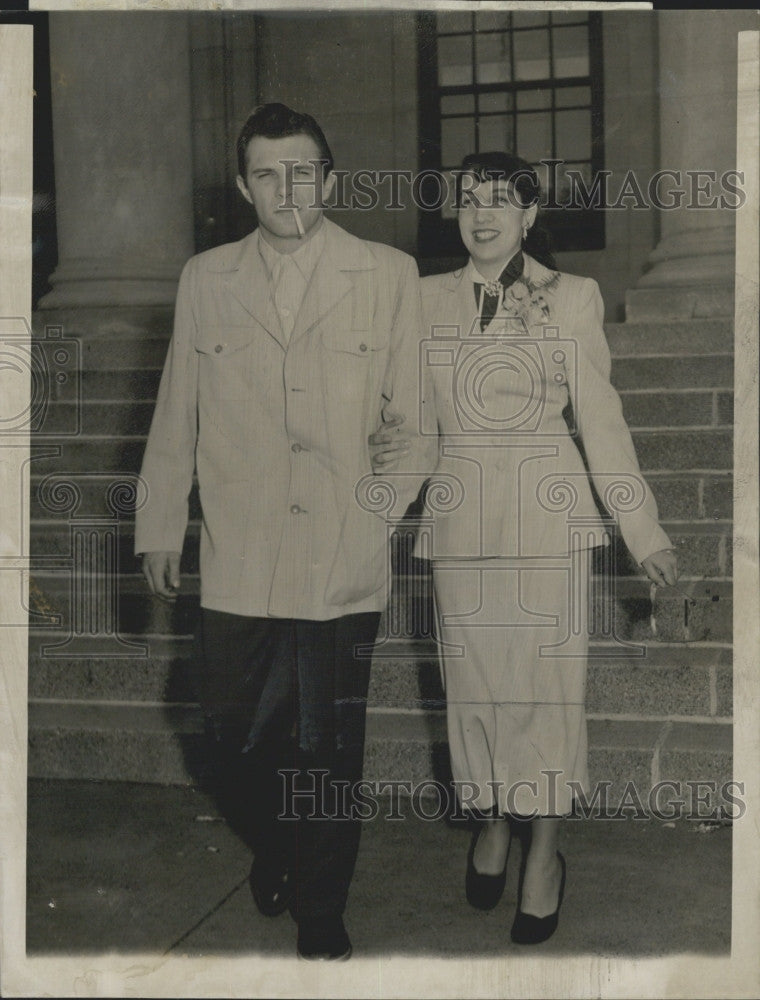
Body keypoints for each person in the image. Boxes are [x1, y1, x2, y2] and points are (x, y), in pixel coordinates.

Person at [134, 103, 430, 961]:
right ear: (242, 186)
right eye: (268, 173)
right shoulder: (205, 278)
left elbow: (415, 427)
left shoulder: (387, 273)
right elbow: (174, 415)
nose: (286, 187)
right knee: (230, 732)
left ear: (329, 180)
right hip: (238, 553)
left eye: (302, 171)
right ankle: (278, 845)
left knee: (329, 747)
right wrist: (160, 525)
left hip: (340, 555)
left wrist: (374, 519)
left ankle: (321, 910)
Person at [370, 151, 678, 944]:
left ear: (531, 215)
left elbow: (601, 423)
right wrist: (371, 516)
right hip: (459, 513)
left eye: (501, 201)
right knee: (475, 692)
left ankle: (544, 848)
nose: (482, 214)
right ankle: (495, 820)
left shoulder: (569, 296)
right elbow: (411, 427)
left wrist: (641, 530)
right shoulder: (422, 298)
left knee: (545, 693)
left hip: (548, 512)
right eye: (469, 199)